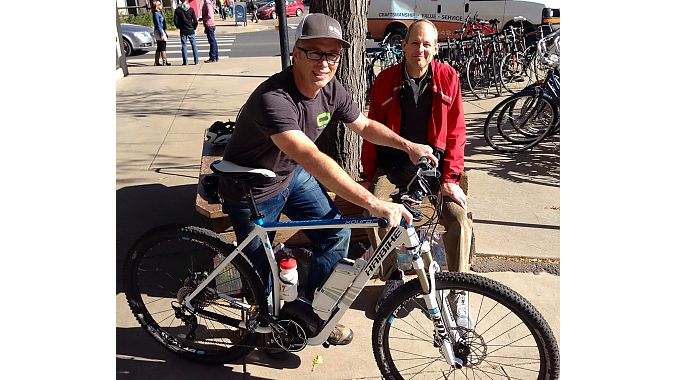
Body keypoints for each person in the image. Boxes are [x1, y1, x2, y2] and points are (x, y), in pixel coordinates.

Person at [218, 13, 438, 347]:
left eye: (332, 54)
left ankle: (314, 315)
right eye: (315, 52)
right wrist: (374, 203)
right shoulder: (273, 99)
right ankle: (264, 325)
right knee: (261, 273)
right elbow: (313, 158)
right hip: (252, 188)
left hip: (289, 175)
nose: (325, 62)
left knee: (336, 234)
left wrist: (409, 146)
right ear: (296, 54)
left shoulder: (331, 88)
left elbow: (363, 125)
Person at [361, 19, 473, 328]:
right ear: (404, 46)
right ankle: (393, 278)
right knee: (376, 211)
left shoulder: (449, 77)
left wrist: (450, 179)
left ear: (435, 49)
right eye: (414, 43)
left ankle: (458, 292)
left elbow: (456, 134)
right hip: (394, 168)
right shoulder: (385, 80)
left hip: (435, 172)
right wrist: (367, 173)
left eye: (427, 44)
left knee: (459, 220)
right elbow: (371, 129)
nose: (420, 50)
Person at [174, 0, 199, 65]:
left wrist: (179, 27)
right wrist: (194, 27)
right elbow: (195, 21)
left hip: (183, 30)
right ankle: (196, 61)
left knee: (184, 45)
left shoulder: (178, 10)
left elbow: (175, 21)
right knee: (194, 45)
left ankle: (185, 62)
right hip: (191, 29)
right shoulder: (191, 9)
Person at [151, 1, 171, 66]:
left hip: (161, 30)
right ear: (156, 6)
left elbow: (162, 24)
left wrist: (164, 32)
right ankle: (164, 61)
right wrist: (161, 34)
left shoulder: (159, 12)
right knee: (162, 46)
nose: (161, 5)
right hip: (159, 31)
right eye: (159, 4)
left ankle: (157, 62)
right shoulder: (156, 14)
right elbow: (158, 25)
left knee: (160, 47)